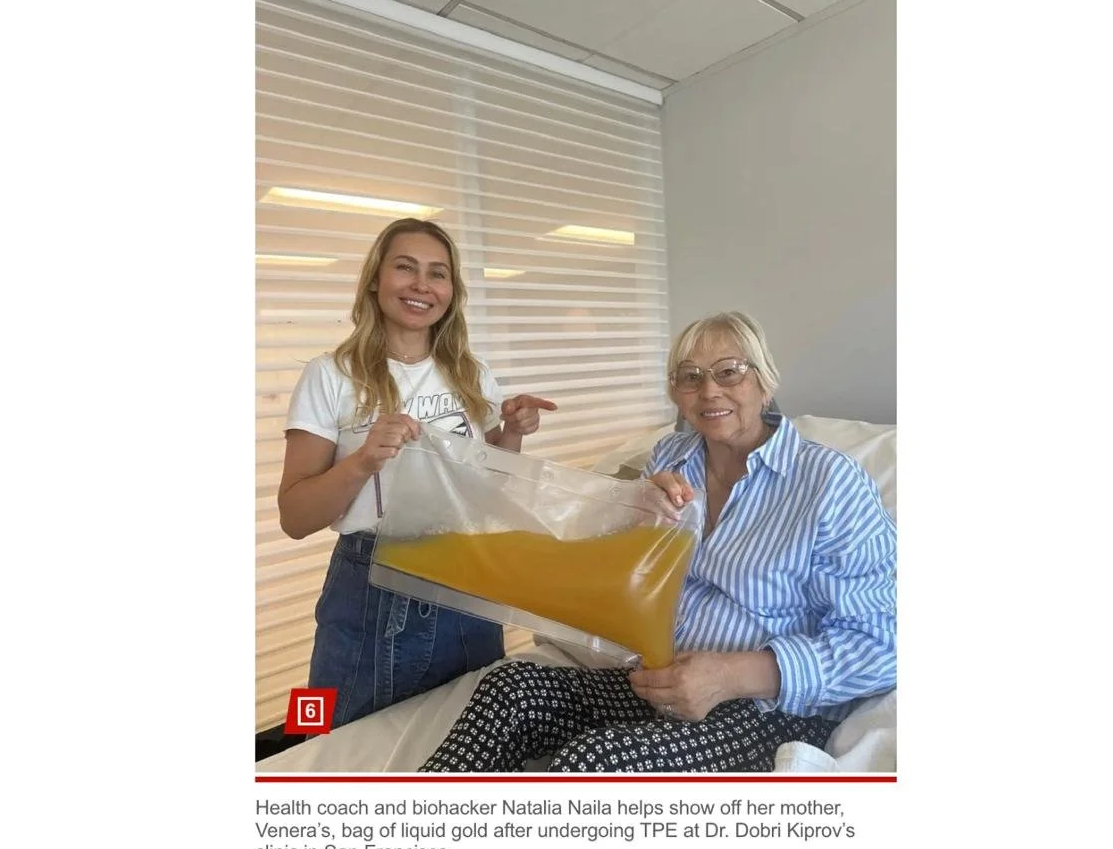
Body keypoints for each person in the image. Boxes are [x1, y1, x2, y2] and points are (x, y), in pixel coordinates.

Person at [419, 312, 895, 773]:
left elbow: (883, 644)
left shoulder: (830, 482)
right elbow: (624, 578)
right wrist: (633, 522)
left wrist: (728, 676)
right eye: (690, 377)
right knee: (511, 689)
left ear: (764, 381)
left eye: (729, 371)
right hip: (659, 678)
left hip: (767, 709)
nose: (709, 390)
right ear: (676, 394)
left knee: (594, 762)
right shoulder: (671, 457)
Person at [278, 217, 555, 727]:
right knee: (333, 742)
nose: (422, 285)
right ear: (375, 281)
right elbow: (294, 516)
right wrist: (365, 459)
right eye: (405, 268)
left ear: (452, 290)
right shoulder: (330, 374)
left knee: (470, 742)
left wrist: (510, 433)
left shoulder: (471, 373)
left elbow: (487, 486)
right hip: (370, 586)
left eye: (438, 273)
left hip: (468, 575)